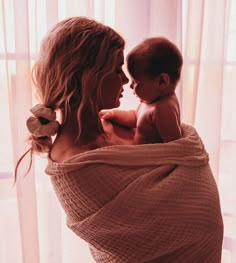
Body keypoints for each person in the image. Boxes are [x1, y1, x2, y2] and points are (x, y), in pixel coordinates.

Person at [16, 17, 223, 263]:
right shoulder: (75, 166)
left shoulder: (118, 121)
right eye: (116, 69)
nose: (125, 80)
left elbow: (183, 152)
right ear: (87, 76)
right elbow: (135, 237)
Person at [100, 37, 182, 144]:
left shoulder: (164, 109)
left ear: (162, 82)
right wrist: (114, 114)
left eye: (135, 81)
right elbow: (134, 117)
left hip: (150, 160)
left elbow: (174, 146)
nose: (130, 85)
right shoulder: (151, 102)